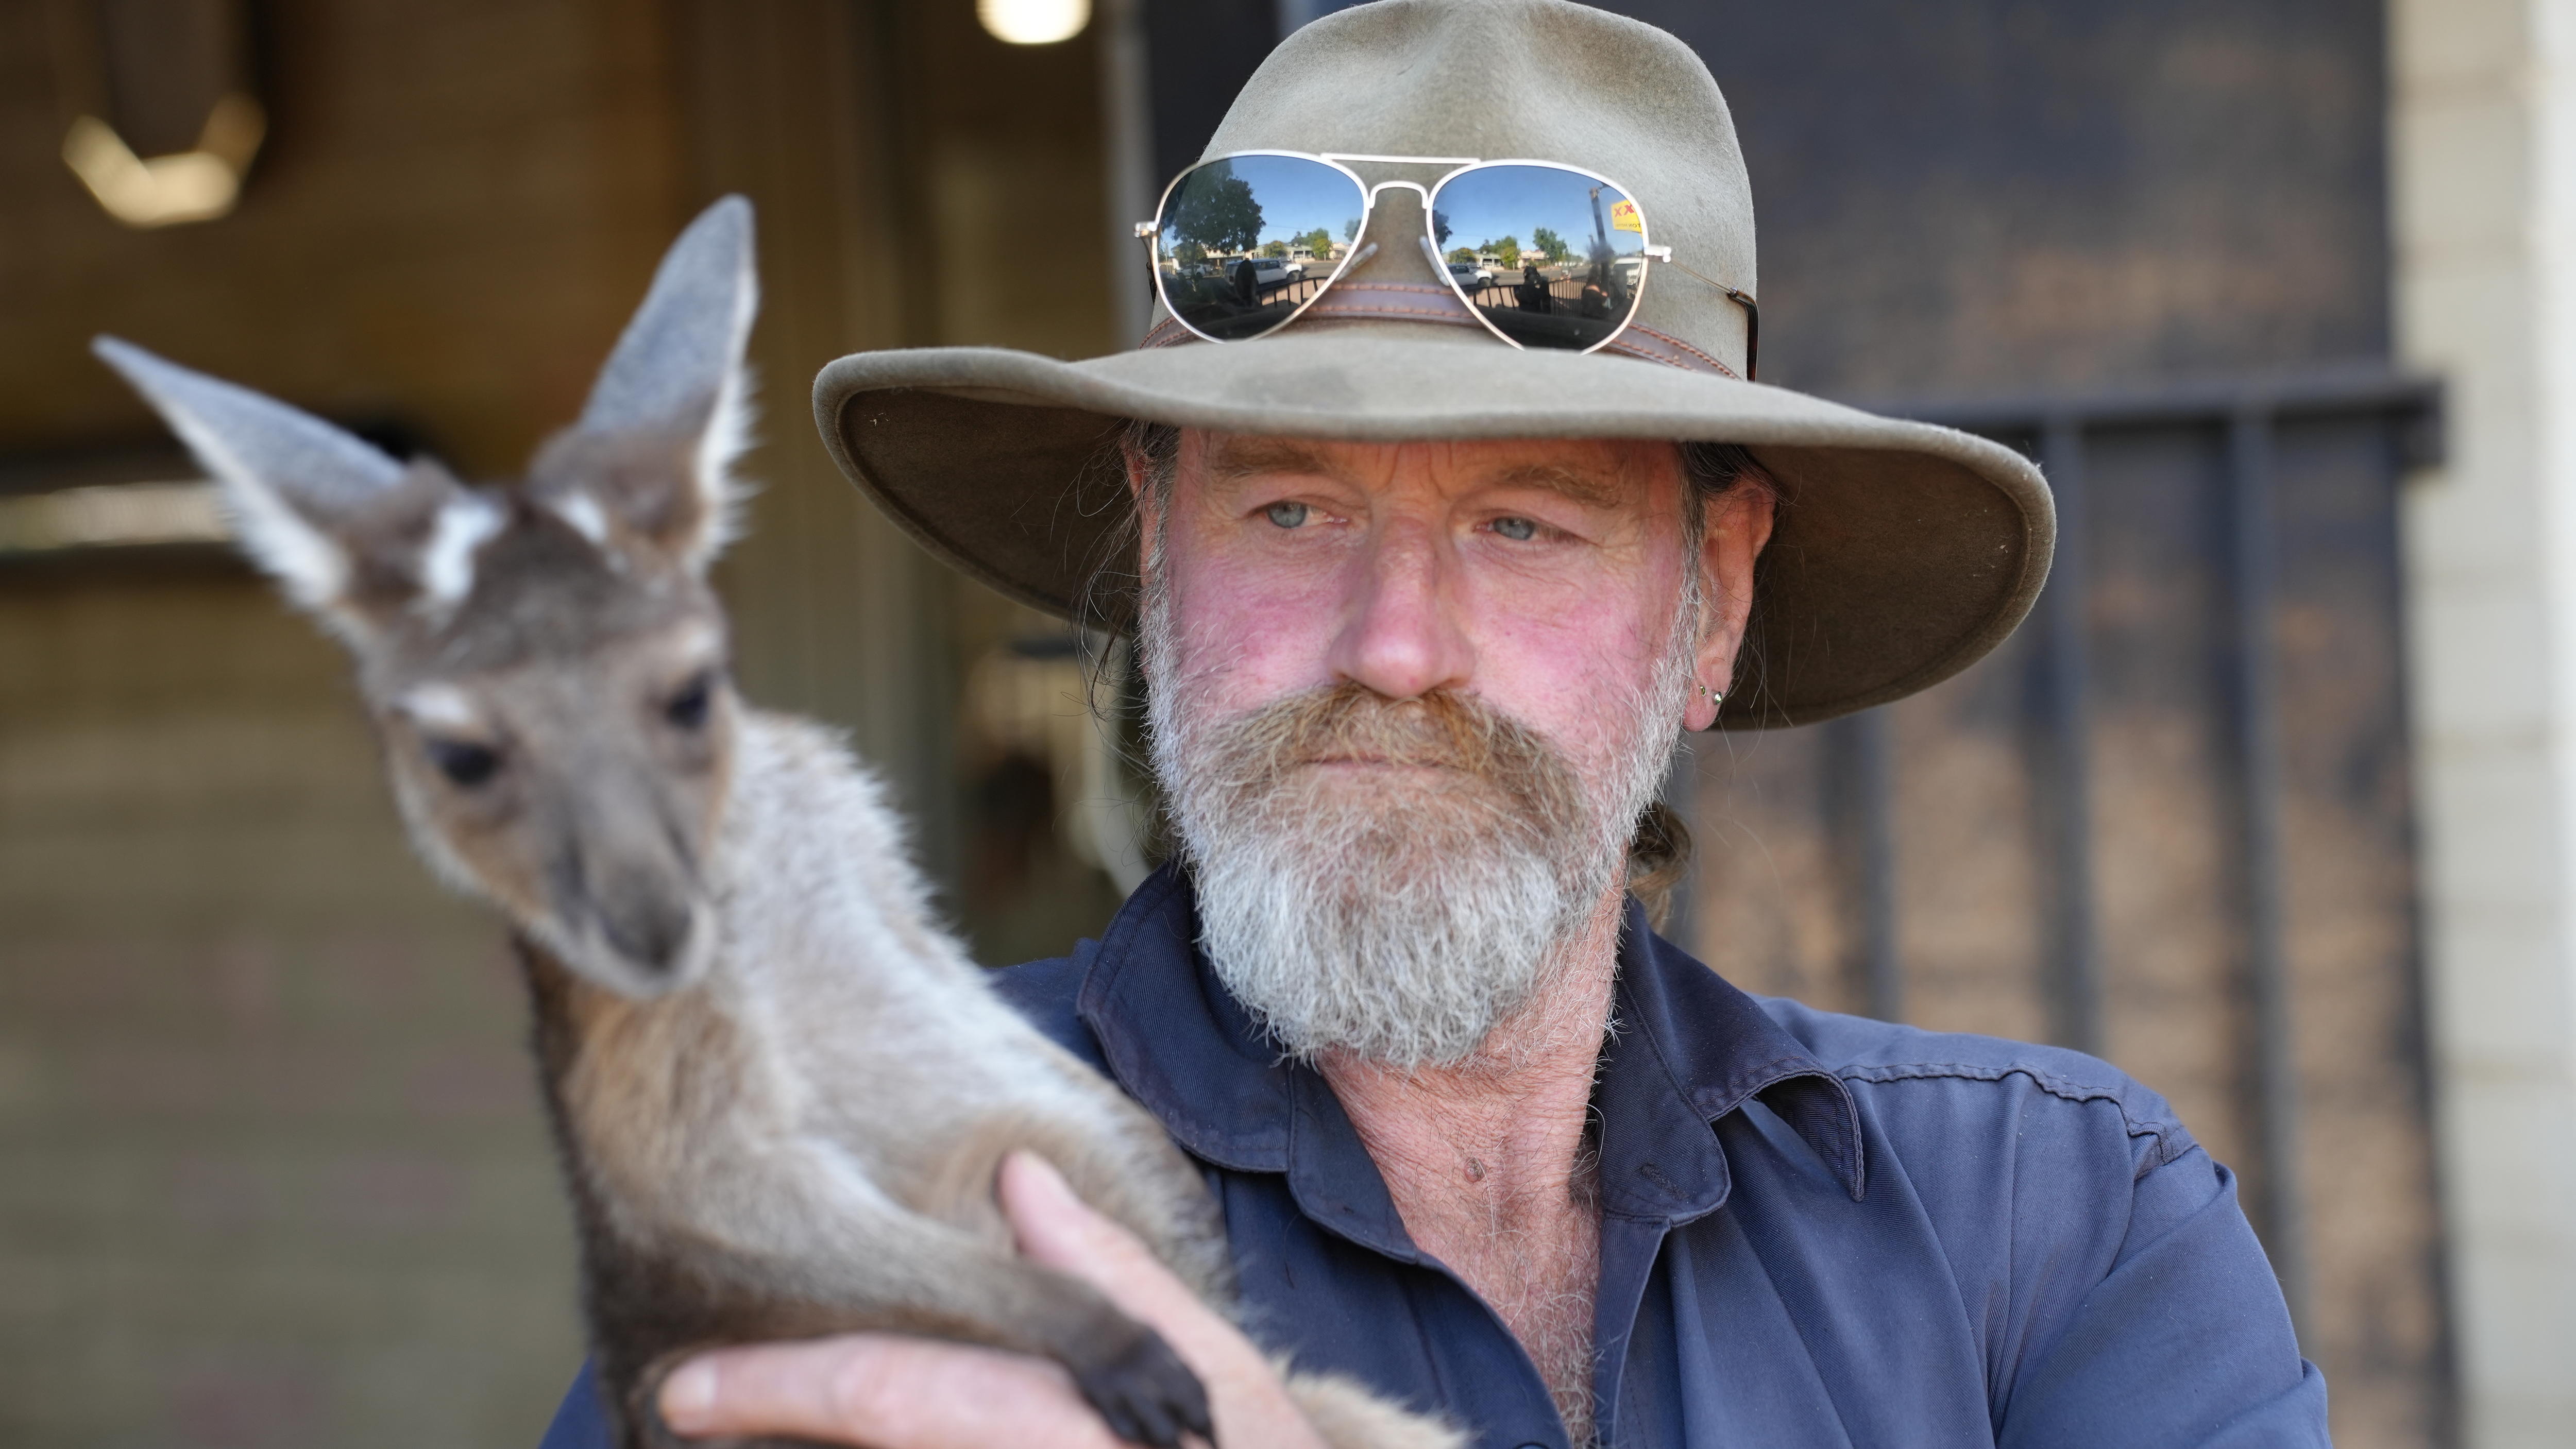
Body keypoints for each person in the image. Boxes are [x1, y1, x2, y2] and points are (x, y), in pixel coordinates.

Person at [540, 2, 2326, 1445]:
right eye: (1290, 512)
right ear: (1158, 558)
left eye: (1525, 525)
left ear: (1717, 598)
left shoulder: (2059, 1222)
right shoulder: (864, 1212)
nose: (1396, 648)